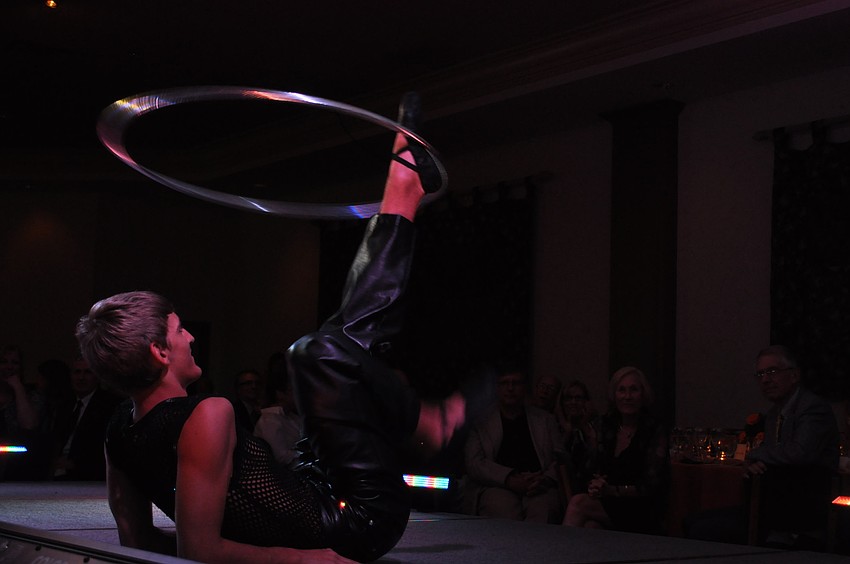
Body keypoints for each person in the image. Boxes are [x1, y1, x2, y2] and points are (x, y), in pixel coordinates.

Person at [74, 92, 469, 563]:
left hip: (310, 484)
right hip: (354, 520)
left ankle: (401, 192)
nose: (192, 337)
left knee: (340, 341)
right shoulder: (208, 413)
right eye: (181, 331)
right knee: (313, 352)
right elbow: (200, 548)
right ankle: (421, 417)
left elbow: (138, 540)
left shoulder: (119, 427)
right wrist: (314, 560)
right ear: (160, 352)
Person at [686, 345, 840, 548]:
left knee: (702, 530)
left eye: (772, 371)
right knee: (691, 521)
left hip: (801, 512)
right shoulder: (774, 414)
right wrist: (753, 464)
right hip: (771, 506)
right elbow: (771, 457)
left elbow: (799, 453)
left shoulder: (812, 408)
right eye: (760, 374)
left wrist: (756, 454)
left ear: (794, 375)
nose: (765, 380)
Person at [563, 366, 669, 534]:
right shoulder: (605, 425)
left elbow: (651, 485)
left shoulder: (654, 429)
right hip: (607, 502)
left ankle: (558, 555)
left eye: (633, 390)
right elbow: (589, 469)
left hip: (640, 506)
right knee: (591, 526)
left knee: (578, 504)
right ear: (614, 395)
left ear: (643, 394)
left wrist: (613, 490)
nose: (627, 396)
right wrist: (596, 485)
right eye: (622, 390)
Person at [463, 367, 563, 523]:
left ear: (524, 388)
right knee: (504, 515)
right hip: (497, 485)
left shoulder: (545, 420)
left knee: (544, 512)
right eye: (505, 383)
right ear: (497, 388)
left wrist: (545, 479)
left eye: (516, 383)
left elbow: (560, 458)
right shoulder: (482, 422)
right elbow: (474, 463)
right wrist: (509, 479)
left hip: (539, 484)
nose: (510, 388)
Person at [51, 357, 122, 480]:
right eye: (77, 372)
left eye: (87, 372)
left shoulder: (108, 405)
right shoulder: (64, 405)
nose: (81, 377)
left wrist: (75, 464)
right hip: (57, 471)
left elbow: (107, 447)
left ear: (97, 376)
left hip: (89, 474)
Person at [254, 354, 302, 465]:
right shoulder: (270, 420)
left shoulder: (293, 417)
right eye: (293, 390)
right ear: (280, 393)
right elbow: (280, 457)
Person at [554, 379, 595, 496]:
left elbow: (596, 458)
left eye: (578, 398)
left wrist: (584, 423)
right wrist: (567, 431)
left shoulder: (595, 426)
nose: (573, 402)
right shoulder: (552, 425)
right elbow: (552, 459)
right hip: (558, 488)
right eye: (568, 398)